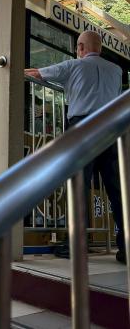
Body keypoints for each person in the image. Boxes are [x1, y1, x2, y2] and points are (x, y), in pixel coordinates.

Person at [25, 30, 125, 263]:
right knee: (117, 190)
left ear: (80, 47)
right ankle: (127, 246)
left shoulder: (73, 66)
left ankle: (76, 244)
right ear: (100, 48)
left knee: (79, 186)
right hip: (111, 129)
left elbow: (36, 73)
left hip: (83, 128)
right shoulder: (116, 70)